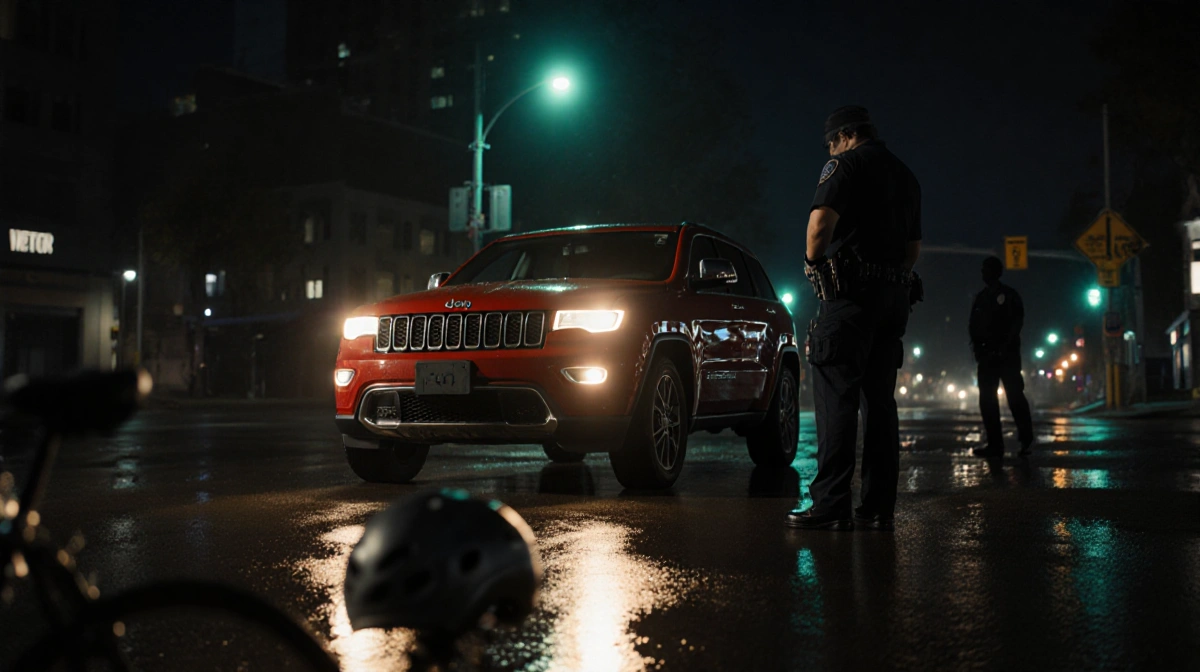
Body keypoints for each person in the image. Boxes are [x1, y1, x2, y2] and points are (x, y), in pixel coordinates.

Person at [786, 106, 922, 531]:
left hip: (850, 297)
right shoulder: (906, 174)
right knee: (880, 403)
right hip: (894, 296)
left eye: (831, 142)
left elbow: (818, 227)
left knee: (835, 398)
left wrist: (813, 265)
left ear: (844, 136)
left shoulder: (844, 164)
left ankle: (830, 504)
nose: (830, 149)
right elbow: (913, 247)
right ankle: (878, 505)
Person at [968, 256, 1034, 457]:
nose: (983, 274)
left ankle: (1026, 440)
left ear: (995, 272)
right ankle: (995, 444)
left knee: (1015, 396)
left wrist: (1004, 346)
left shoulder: (1010, 296)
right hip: (987, 357)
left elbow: (1017, 323)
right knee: (987, 400)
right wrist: (979, 351)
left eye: (986, 270)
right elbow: (973, 326)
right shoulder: (981, 297)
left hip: (1007, 356)